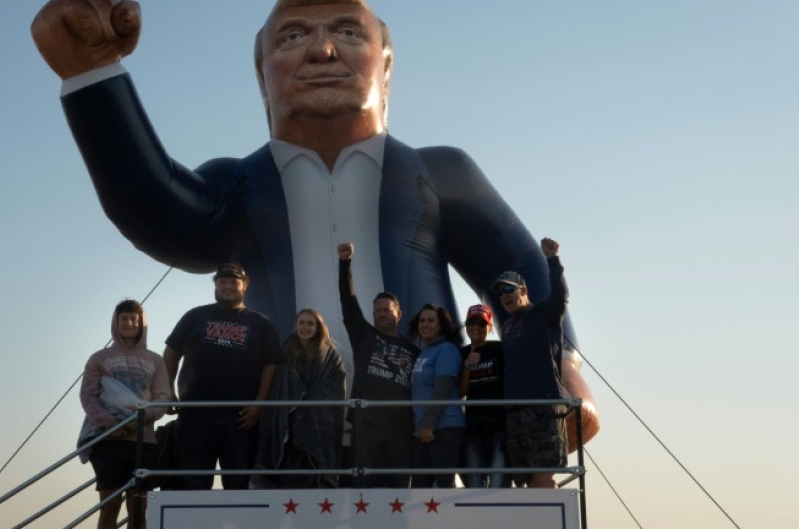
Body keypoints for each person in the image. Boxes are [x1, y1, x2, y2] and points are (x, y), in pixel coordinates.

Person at [29, 2, 601, 450]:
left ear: (387, 66)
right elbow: (153, 208)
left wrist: (563, 370)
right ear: (262, 75)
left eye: (349, 32)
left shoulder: (440, 172)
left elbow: (519, 275)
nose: (323, 50)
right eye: (293, 35)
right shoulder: (239, 184)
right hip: (282, 418)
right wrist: (91, 76)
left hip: (417, 415)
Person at [163, 262, 285, 489]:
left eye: (233, 282)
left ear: (245, 285)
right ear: (216, 286)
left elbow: (271, 366)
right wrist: (168, 391)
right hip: (195, 416)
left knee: (238, 486)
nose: (227, 286)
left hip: (241, 419)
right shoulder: (194, 316)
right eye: (222, 282)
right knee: (193, 486)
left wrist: (258, 405)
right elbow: (171, 353)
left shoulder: (261, 323)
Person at [80, 299, 170, 529]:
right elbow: (88, 396)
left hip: (144, 441)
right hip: (108, 441)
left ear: (142, 324)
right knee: (109, 510)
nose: (129, 323)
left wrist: (142, 418)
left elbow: (162, 397)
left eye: (134, 319)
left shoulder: (156, 360)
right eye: (124, 318)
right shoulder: (98, 358)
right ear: (116, 322)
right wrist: (109, 424)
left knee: (138, 512)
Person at [337, 242, 417, 488]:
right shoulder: (364, 335)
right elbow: (349, 302)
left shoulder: (415, 351)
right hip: (365, 427)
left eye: (387, 310)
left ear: (398, 314)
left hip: (401, 431)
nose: (381, 313)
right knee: (362, 490)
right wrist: (345, 264)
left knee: (397, 492)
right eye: (377, 310)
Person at [492, 237, 569, 489]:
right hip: (515, 409)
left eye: (508, 290)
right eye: (500, 292)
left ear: (523, 291)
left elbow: (560, 296)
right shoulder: (508, 325)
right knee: (524, 479)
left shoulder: (544, 313)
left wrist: (553, 260)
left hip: (542, 405)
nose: (504, 296)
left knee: (543, 475)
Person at [254, 308, 347, 488]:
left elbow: (336, 386)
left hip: (318, 426)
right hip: (286, 424)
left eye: (310, 323)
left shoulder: (330, 354)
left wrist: (306, 398)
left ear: (318, 327)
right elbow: (274, 383)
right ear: (295, 325)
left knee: (314, 480)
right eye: (302, 323)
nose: (305, 327)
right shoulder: (283, 351)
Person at [407, 304, 465, 488]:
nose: (425, 324)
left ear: (441, 325)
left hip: (443, 428)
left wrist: (428, 423)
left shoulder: (447, 349)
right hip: (425, 431)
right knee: (420, 490)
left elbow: (443, 387)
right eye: (422, 321)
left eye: (431, 320)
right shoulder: (425, 351)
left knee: (444, 488)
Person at [459, 304, 510, 488]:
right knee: (474, 482)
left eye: (481, 324)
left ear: (490, 327)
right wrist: (466, 367)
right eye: (471, 323)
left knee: (499, 482)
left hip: (500, 426)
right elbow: (460, 392)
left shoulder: (500, 349)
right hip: (473, 426)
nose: (476, 328)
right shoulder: (462, 353)